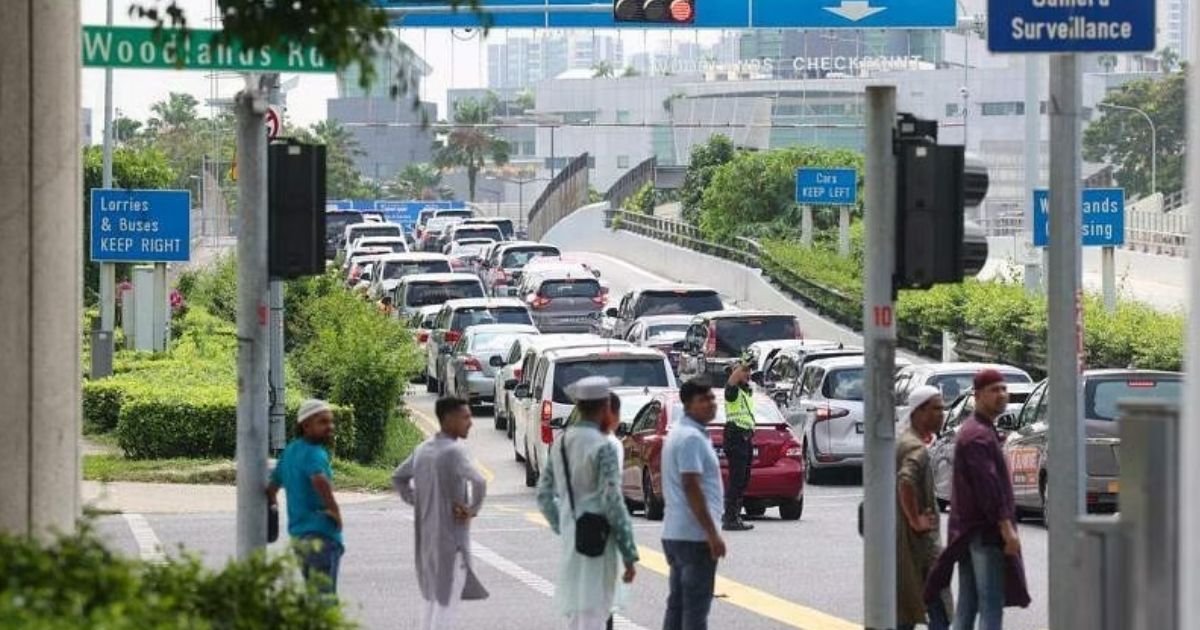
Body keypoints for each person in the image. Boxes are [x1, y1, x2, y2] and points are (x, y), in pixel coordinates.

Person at [925, 370, 1030, 630]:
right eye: (994, 390)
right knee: (990, 608)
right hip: (986, 533)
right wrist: (1006, 530)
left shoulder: (978, 430)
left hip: (971, 533)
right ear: (977, 396)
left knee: (967, 609)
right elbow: (989, 487)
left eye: (1003, 389)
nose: (1001, 395)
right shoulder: (977, 435)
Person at [537, 377, 639, 630]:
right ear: (605, 407)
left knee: (577, 612)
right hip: (600, 539)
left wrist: (565, 524)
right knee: (597, 610)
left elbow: (544, 494)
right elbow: (613, 501)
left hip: (573, 536)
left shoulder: (561, 443)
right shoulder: (604, 446)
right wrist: (629, 552)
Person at [392, 397, 490, 630]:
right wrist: (471, 510)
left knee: (429, 604)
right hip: (451, 544)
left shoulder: (422, 449)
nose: (471, 423)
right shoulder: (455, 451)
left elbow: (399, 477)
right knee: (445, 608)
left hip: (427, 542)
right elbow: (479, 481)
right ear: (448, 419)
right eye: (465, 417)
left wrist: (418, 500)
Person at [661, 380, 727, 630]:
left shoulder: (680, 432)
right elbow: (691, 486)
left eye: (712, 398)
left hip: (676, 533)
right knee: (695, 611)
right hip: (694, 537)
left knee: (677, 606)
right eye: (704, 400)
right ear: (688, 405)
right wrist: (712, 535)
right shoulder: (690, 438)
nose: (711, 404)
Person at [266, 399, 344, 597]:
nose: (330, 427)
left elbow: (272, 487)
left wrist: (272, 503)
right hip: (321, 535)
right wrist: (335, 511)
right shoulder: (315, 453)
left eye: (331, 422)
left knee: (314, 596)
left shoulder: (290, 452)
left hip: (298, 537)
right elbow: (319, 479)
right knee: (324, 600)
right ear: (306, 425)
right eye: (323, 422)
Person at [897, 386, 953, 630]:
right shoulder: (915, 449)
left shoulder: (906, 441)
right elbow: (905, 481)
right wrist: (915, 519)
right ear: (919, 412)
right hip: (920, 546)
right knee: (937, 608)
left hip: (908, 546)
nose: (942, 414)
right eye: (936, 409)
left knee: (906, 612)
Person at [722, 363, 757, 531]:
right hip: (735, 436)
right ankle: (730, 518)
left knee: (743, 479)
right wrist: (742, 365)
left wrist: (746, 367)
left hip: (745, 438)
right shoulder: (732, 392)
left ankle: (734, 515)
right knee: (736, 480)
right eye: (744, 371)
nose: (747, 374)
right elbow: (733, 380)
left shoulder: (745, 391)